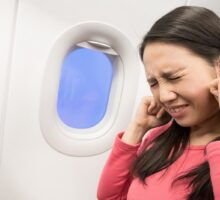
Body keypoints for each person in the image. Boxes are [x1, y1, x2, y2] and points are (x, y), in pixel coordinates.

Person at [97, 5, 220, 200]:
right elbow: (111, 197)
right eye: (153, 83)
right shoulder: (158, 139)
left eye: (174, 77)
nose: (163, 96)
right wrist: (137, 129)